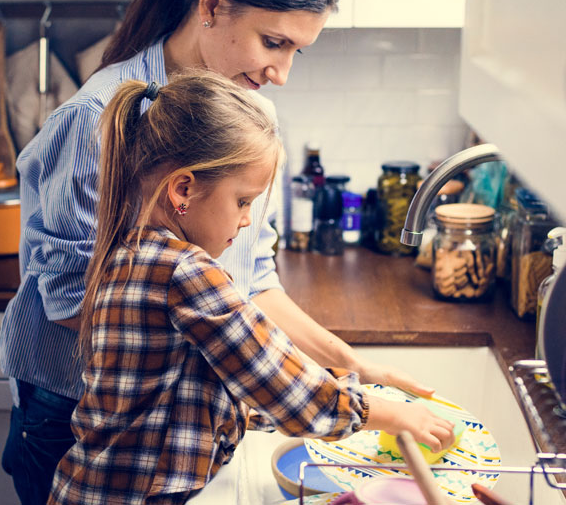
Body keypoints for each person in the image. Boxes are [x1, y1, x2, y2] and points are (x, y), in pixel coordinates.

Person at [0, 0, 435, 503]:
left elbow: (252, 279)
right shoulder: (94, 119)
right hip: (76, 417)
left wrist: (344, 361)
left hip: (176, 424)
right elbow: (68, 302)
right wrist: (250, 366)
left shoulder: (250, 118)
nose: (282, 72)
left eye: (297, 51)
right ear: (211, 6)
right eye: (273, 42)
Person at [47, 72, 455, 505]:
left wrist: (348, 386)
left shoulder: (132, 250)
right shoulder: (183, 271)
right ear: (183, 188)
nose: (245, 220)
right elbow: (285, 390)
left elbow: (225, 387)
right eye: (243, 201)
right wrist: (389, 415)